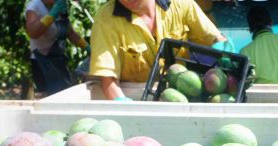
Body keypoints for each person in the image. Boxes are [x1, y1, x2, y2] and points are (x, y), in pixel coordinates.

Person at [89, 0, 228, 101]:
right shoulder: (106, 19)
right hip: (137, 95)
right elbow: (108, 80)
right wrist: (123, 105)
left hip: (183, 93)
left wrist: (224, 53)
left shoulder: (180, 4)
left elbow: (215, 39)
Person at [25, 0, 90, 95]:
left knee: (64, 93)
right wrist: (51, 16)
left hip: (57, 58)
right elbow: (32, 33)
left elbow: (70, 32)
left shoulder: (59, 6)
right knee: (47, 96)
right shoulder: (34, 6)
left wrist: (87, 47)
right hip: (41, 61)